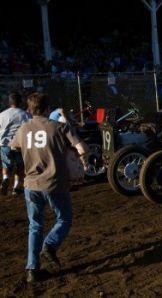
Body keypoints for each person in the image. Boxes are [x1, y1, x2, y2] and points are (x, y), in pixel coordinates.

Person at [10, 92, 90, 283]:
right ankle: (50, 245)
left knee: (35, 226)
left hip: (31, 184)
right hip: (55, 183)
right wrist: (82, 161)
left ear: (30, 110)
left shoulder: (23, 128)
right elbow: (83, 148)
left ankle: (32, 269)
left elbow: (13, 149)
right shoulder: (59, 127)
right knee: (64, 219)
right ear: (47, 109)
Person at [0, 91, 29, 196]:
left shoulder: (2, 114)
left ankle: (5, 178)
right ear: (20, 102)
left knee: (6, 164)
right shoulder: (25, 114)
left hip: (4, 144)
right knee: (20, 167)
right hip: (18, 145)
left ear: (9, 102)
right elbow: (28, 129)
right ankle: (16, 187)